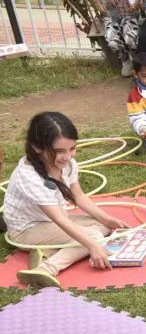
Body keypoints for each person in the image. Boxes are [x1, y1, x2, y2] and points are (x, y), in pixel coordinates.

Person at [3, 112, 129, 288]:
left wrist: (107, 219)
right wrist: (92, 246)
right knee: (92, 236)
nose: (68, 156)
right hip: (28, 230)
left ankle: (47, 251)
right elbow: (59, 219)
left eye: (72, 148)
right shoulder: (28, 176)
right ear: (37, 147)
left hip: (49, 221)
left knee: (104, 225)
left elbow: (79, 196)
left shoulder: (67, 164)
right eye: (59, 151)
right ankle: (46, 268)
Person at [89, 0, 139, 77]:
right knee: (112, 42)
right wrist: (99, 5)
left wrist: (136, 4)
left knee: (130, 39)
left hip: (128, 10)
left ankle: (137, 62)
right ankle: (125, 60)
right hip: (110, 12)